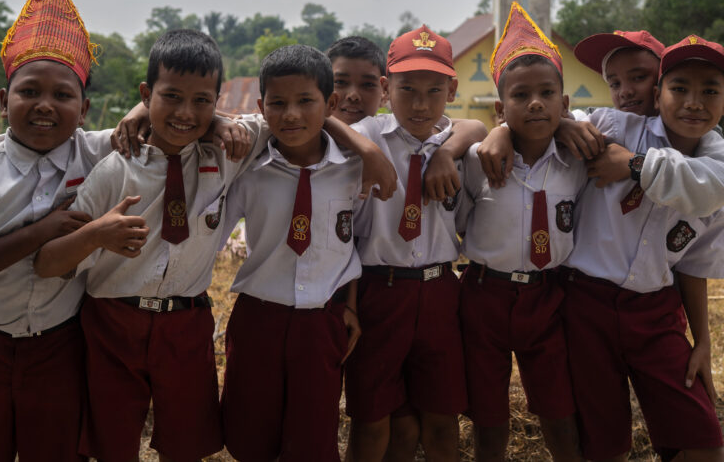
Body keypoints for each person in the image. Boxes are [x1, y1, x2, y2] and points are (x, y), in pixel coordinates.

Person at [33, 30, 396, 462]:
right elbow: (47, 262)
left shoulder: (229, 152)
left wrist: (366, 148)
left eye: (202, 101)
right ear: (147, 95)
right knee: (113, 443)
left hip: (187, 325)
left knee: (188, 445)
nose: (186, 113)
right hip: (113, 323)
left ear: (217, 101)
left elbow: (298, 110)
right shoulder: (117, 169)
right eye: (171, 98)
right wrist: (96, 235)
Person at [0, 0, 144, 461]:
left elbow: (167, 114)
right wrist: (43, 232)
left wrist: (136, 113)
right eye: (29, 92)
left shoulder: (96, 154)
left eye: (63, 96)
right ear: (5, 102)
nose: (45, 105)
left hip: (61, 346)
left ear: (85, 109)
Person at [561, 35, 724, 462]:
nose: (694, 102)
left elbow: (694, 264)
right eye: (680, 89)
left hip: (656, 313)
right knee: (603, 441)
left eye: (709, 92)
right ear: (662, 94)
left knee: (701, 441)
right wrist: (563, 122)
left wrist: (702, 341)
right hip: (587, 304)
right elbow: (554, 116)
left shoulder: (719, 168)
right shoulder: (616, 127)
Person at [219, 44, 365, 462]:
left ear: (331, 103)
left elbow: (358, 240)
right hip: (257, 319)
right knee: (250, 436)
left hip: (321, 325)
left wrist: (349, 306)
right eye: (278, 103)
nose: (291, 115)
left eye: (306, 101)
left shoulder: (354, 171)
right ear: (262, 107)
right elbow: (211, 233)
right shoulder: (247, 171)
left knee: (313, 439)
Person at [345, 24, 484, 462]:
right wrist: (365, 150)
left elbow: (479, 125)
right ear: (386, 88)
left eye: (434, 90)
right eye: (407, 89)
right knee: (375, 425)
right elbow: (322, 122)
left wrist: (446, 150)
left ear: (452, 89)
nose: (420, 104)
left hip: (441, 291)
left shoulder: (456, 143)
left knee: (443, 422)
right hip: (379, 291)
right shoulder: (366, 136)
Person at [456, 4, 586, 462]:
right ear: (500, 107)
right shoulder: (479, 162)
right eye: (521, 95)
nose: (535, 103)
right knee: (489, 417)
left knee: (558, 410)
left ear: (564, 104)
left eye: (548, 92)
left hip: (548, 298)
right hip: (483, 296)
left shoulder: (579, 161)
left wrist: (570, 127)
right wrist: (495, 135)